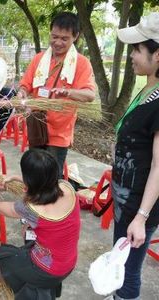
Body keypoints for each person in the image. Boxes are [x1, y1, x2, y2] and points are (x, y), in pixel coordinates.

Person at [0, 149, 80, 299]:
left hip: (47, 269)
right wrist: (16, 178)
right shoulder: (67, 188)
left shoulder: (31, 208)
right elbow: (44, 183)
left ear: (29, 178)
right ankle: (36, 283)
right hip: (69, 263)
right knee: (27, 229)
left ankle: (29, 290)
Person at [109, 12, 159, 300]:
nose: (132, 55)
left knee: (129, 273)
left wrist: (141, 218)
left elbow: (158, 166)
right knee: (120, 261)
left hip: (139, 207)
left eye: (138, 49)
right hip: (125, 202)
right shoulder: (147, 90)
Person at [18, 12, 95, 176]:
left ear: (75, 36)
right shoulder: (39, 59)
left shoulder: (81, 63)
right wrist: (22, 93)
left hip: (59, 132)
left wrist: (68, 92)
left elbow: (89, 95)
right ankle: (34, 202)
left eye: (64, 38)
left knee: (51, 177)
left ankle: (51, 202)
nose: (57, 42)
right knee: (34, 174)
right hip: (37, 127)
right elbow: (25, 85)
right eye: (54, 36)